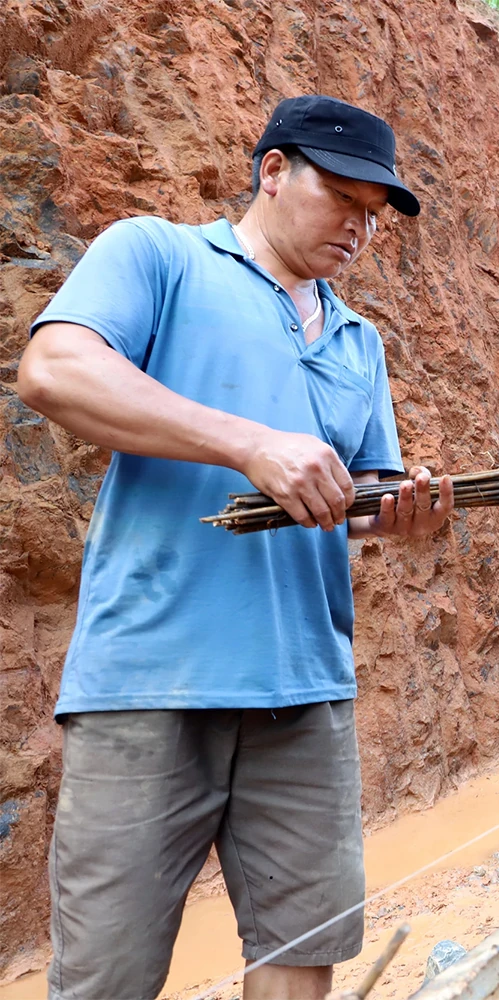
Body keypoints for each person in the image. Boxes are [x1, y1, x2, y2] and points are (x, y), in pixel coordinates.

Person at [16, 95, 452, 1000]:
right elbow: (53, 370)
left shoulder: (359, 341)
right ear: (273, 171)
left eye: (375, 214)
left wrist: (401, 516)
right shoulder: (159, 255)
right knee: (105, 978)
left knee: (300, 959)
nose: (359, 228)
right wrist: (247, 444)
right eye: (343, 198)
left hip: (306, 693)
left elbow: (357, 501)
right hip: (148, 685)